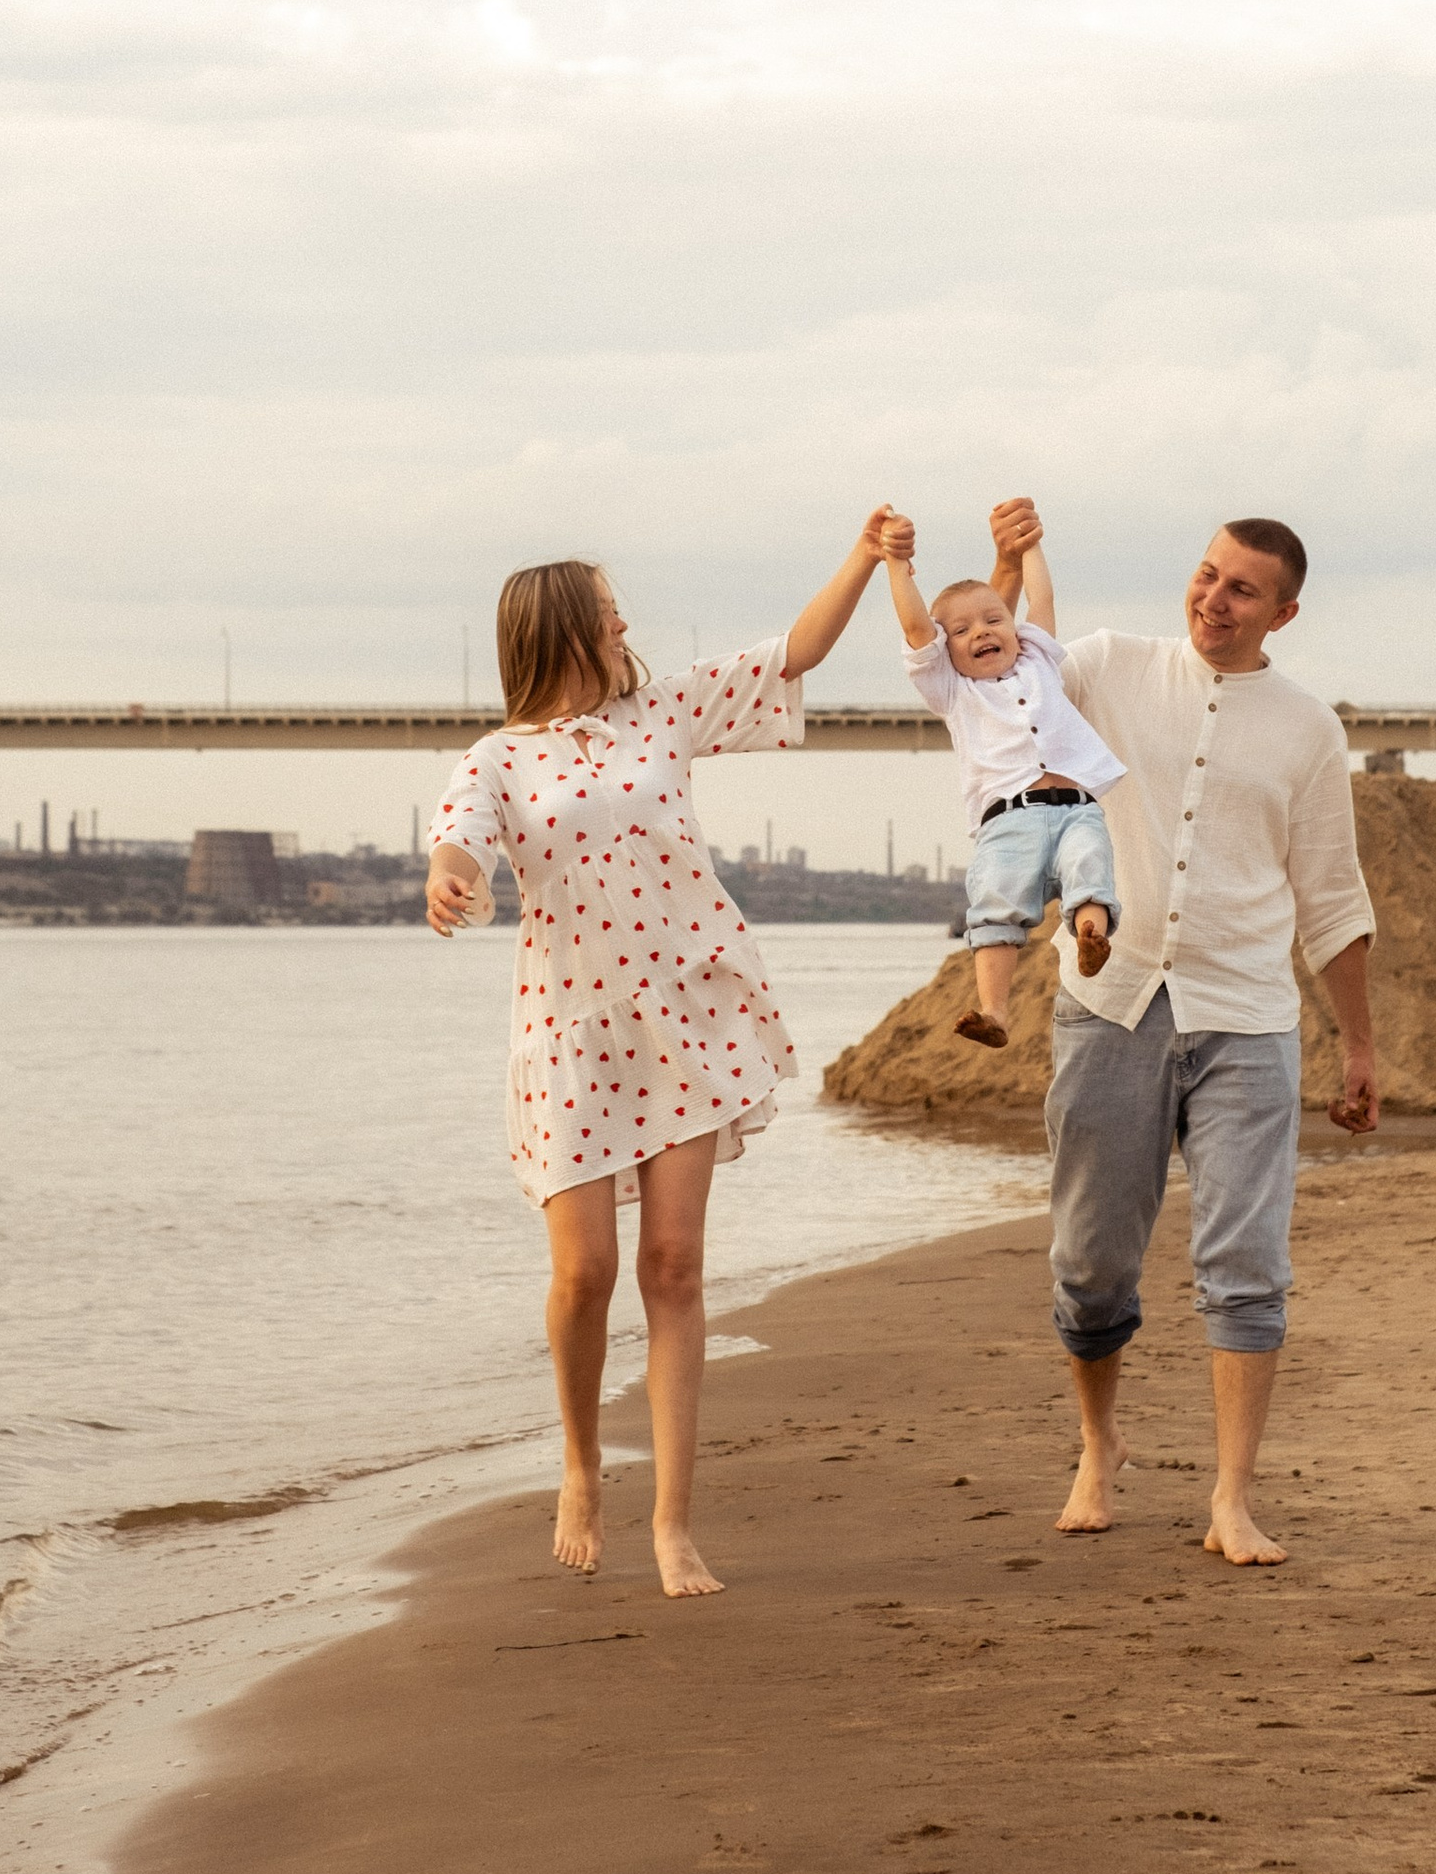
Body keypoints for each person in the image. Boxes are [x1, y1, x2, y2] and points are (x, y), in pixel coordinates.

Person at [424, 521, 890, 1597]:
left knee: (671, 1266)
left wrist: (863, 558)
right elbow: (460, 834)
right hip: (571, 1035)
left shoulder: (665, 711)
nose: (623, 618)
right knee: (583, 1273)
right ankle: (582, 1464)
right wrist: (450, 877)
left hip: (684, 1013)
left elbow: (794, 654)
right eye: (606, 604)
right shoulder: (496, 760)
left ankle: (674, 1522)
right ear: (563, 627)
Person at [980, 499, 1380, 1569]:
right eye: (1208, 574)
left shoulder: (1307, 730)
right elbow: (999, 674)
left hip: (1248, 1018)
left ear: (1282, 613)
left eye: (1242, 588)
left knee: (1245, 1261)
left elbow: (1332, 896)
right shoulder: (1109, 667)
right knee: (1091, 1263)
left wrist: (1359, 1049)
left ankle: (1232, 1498)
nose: (1215, 598)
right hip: (1110, 1006)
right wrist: (1010, 564)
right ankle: (1098, 1447)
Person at [878, 509, 1121, 1049]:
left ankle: (1089, 937)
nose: (982, 631)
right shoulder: (951, 691)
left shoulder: (1041, 661)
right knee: (995, 907)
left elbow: (1044, 601)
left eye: (993, 619)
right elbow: (918, 627)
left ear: (1015, 630)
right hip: (1007, 822)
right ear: (945, 650)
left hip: (1077, 806)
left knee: (1091, 871)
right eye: (961, 630)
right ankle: (995, 1011)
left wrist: (1030, 544)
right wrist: (896, 564)